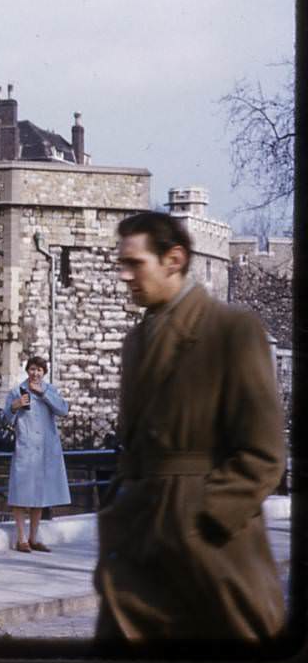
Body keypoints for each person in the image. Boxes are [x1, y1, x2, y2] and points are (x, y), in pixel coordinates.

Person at [94, 211, 285, 641]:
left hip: (211, 554)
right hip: (138, 544)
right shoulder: (135, 342)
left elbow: (265, 453)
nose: (124, 276)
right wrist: (117, 509)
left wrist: (203, 519)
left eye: (135, 264)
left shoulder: (232, 330)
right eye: (120, 264)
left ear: (174, 259)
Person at [1, 355, 70, 553]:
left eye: (39, 370)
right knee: (21, 493)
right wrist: (14, 406)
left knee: (39, 494)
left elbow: (63, 410)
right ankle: (21, 538)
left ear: (44, 372)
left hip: (45, 450)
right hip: (26, 448)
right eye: (32, 369)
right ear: (27, 370)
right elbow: (5, 419)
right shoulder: (17, 391)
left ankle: (33, 537)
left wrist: (44, 394)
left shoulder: (50, 390)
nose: (35, 373)